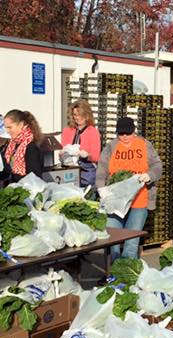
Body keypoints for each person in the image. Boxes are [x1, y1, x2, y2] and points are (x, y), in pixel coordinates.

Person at [96, 117, 162, 261]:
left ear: (134, 131)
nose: (125, 137)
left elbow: (158, 166)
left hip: (140, 200)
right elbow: (101, 170)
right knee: (113, 240)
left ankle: (127, 275)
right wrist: (101, 189)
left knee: (131, 241)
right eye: (121, 134)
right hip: (114, 201)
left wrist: (149, 175)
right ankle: (113, 274)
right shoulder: (111, 147)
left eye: (128, 133)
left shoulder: (145, 145)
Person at [60, 100, 102, 188]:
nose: (77, 118)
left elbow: (96, 156)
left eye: (80, 115)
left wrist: (87, 155)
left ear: (87, 115)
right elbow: (63, 148)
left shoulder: (93, 132)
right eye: (75, 115)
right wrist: (62, 153)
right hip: (69, 167)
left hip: (86, 169)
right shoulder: (67, 130)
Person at [3, 109, 44, 182]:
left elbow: (35, 177)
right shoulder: (12, 144)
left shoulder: (30, 147)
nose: (7, 131)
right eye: (6, 128)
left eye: (10, 127)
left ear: (21, 124)